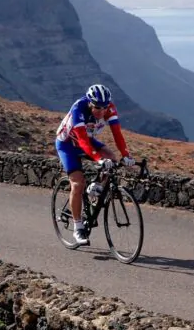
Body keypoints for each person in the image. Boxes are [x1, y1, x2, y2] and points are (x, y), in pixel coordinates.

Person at [55, 84, 136, 245]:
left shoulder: (109, 108)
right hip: (68, 144)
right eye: (97, 107)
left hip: (87, 139)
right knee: (78, 184)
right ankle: (78, 228)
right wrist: (98, 159)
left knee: (111, 158)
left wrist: (126, 155)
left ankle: (96, 189)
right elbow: (83, 141)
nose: (101, 111)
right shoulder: (79, 108)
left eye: (104, 108)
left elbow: (117, 134)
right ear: (90, 103)